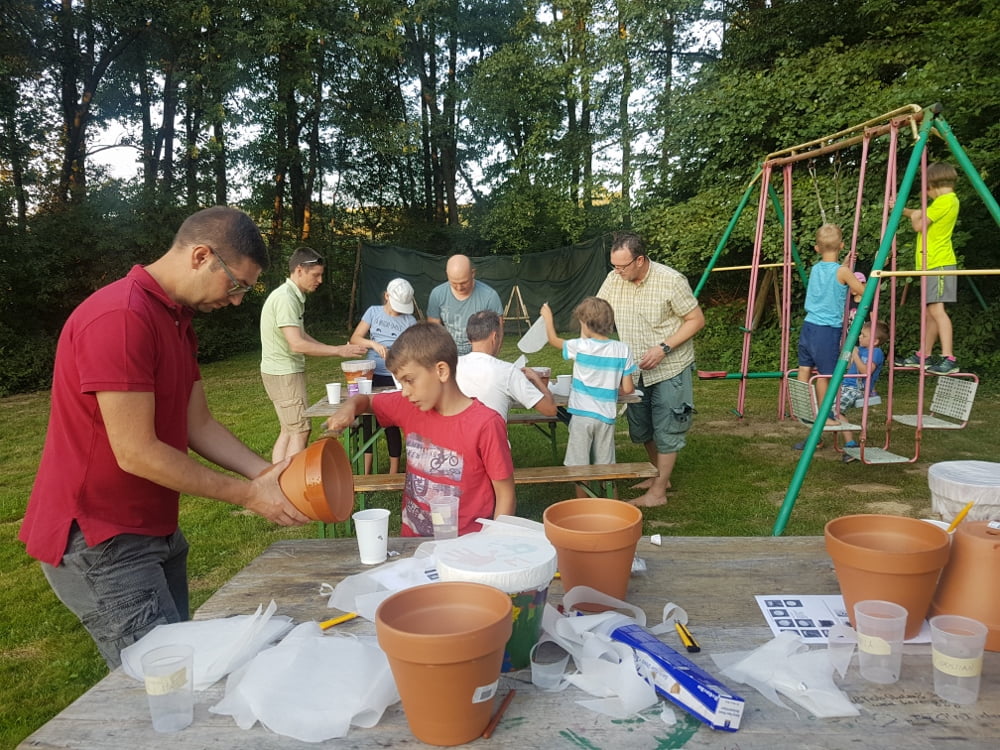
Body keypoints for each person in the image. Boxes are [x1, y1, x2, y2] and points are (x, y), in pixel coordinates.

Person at [18, 206, 312, 670]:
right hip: (100, 538)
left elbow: (200, 425)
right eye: (236, 285)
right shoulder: (120, 318)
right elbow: (136, 452)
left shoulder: (177, 321)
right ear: (201, 256)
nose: (236, 301)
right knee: (161, 682)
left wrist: (270, 474)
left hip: (153, 529)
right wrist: (248, 495)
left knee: (184, 670)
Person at [324, 322, 515, 537]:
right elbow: (365, 400)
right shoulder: (409, 406)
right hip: (413, 546)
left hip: (466, 549)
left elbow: (505, 495)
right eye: (401, 383)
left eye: (409, 381)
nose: (404, 392)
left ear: (441, 370)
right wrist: (349, 407)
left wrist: (493, 543)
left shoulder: (486, 424)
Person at [597, 232, 705, 508]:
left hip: (670, 366)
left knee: (667, 428)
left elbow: (695, 319)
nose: (617, 272)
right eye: (614, 266)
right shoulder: (614, 280)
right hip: (633, 370)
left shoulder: (671, 280)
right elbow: (598, 313)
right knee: (642, 427)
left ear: (640, 260)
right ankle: (661, 477)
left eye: (622, 266)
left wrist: (663, 348)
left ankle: (657, 494)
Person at [260, 247, 367, 462]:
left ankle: (277, 481)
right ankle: (292, 487)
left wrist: (336, 350)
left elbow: (302, 335)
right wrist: (339, 350)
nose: (320, 280)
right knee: (300, 430)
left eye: (321, 275)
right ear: (299, 270)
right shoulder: (286, 299)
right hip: (284, 374)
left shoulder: (291, 296)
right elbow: (297, 345)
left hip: (280, 372)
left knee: (289, 429)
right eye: (315, 275)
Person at [539, 298, 636, 498]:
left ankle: (583, 505)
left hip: (582, 417)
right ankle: (612, 505)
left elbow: (553, 340)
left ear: (584, 323)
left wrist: (548, 318)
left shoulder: (580, 346)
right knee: (606, 467)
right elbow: (627, 388)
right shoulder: (622, 349)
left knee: (580, 467)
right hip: (606, 418)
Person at [794, 223, 867, 444]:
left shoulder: (816, 269)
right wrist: (857, 289)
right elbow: (863, 290)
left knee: (805, 369)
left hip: (809, 326)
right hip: (827, 330)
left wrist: (844, 268)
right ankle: (825, 416)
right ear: (842, 245)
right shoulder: (843, 272)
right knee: (825, 375)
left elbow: (832, 275)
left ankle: (803, 408)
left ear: (817, 248)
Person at [894, 162, 961, 374]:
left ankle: (949, 357)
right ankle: (924, 353)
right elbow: (919, 214)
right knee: (930, 312)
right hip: (931, 263)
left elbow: (918, 224)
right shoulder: (945, 201)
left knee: (937, 310)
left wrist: (914, 217)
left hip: (938, 263)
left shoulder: (945, 201)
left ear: (931, 184)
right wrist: (903, 210)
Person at [349, 278, 418, 474]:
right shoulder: (373, 312)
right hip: (371, 374)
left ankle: (394, 471)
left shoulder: (409, 321)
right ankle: (366, 470)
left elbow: (415, 350)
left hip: (395, 376)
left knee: (391, 421)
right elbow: (355, 338)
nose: (398, 310)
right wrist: (373, 344)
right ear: (387, 296)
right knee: (367, 420)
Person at [456, 310, 558, 422]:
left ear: (470, 339)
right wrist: (536, 379)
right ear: (495, 337)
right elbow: (550, 409)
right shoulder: (508, 371)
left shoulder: (452, 367)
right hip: (493, 438)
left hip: (454, 437)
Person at [426, 254, 503, 355]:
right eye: (453, 283)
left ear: (473, 273)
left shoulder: (489, 296)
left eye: (464, 282)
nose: (459, 287)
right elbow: (433, 332)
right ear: (447, 275)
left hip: (479, 357)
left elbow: (498, 333)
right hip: (450, 356)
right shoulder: (437, 295)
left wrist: (489, 361)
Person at [840, 320, 889, 461]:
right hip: (846, 385)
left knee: (833, 411)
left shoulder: (876, 352)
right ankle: (849, 444)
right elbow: (848, 365)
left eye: (864, 335)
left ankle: (851, 445)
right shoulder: (861, 350)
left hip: (857, 389)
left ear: (874, 341)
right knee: (828, 408)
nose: (860, 337)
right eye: (860, 334)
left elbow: (865, 372)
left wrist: (855, 355)